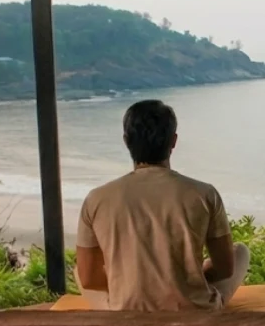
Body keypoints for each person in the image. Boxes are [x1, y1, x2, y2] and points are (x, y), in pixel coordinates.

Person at [75, 100, 249, 311]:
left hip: (125, 310)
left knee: (79, 270)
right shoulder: (204, 194)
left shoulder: (96, 198)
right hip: (193, 309)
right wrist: (185, 277)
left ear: (126, 141)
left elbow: (90, 279)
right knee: (241, 252)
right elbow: (224, 269)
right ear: (173, 141)